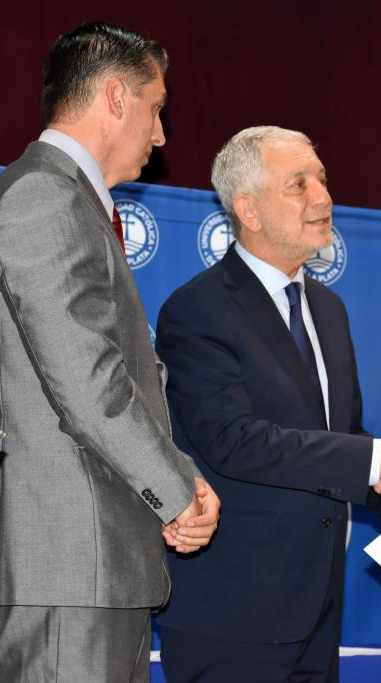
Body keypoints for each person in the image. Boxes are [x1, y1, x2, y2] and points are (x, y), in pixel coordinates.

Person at [154, 125, 381, 682]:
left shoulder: (330, 310)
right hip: (232, 614)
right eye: (299, 184)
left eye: (323, 179)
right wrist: (379, 460)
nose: (324, 197)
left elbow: (342, 436)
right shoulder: (198, 311)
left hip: (319, 611)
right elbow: (232, 440)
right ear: (250, 209)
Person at [0, 22, 219, 682]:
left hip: (95, 569)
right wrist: (177, 490)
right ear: (116, 97)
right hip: (69, 566)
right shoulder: (44, 197)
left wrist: (178, 476)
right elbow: (88, 385)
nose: (161, 135)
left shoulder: (71, 204)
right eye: (156, 109)